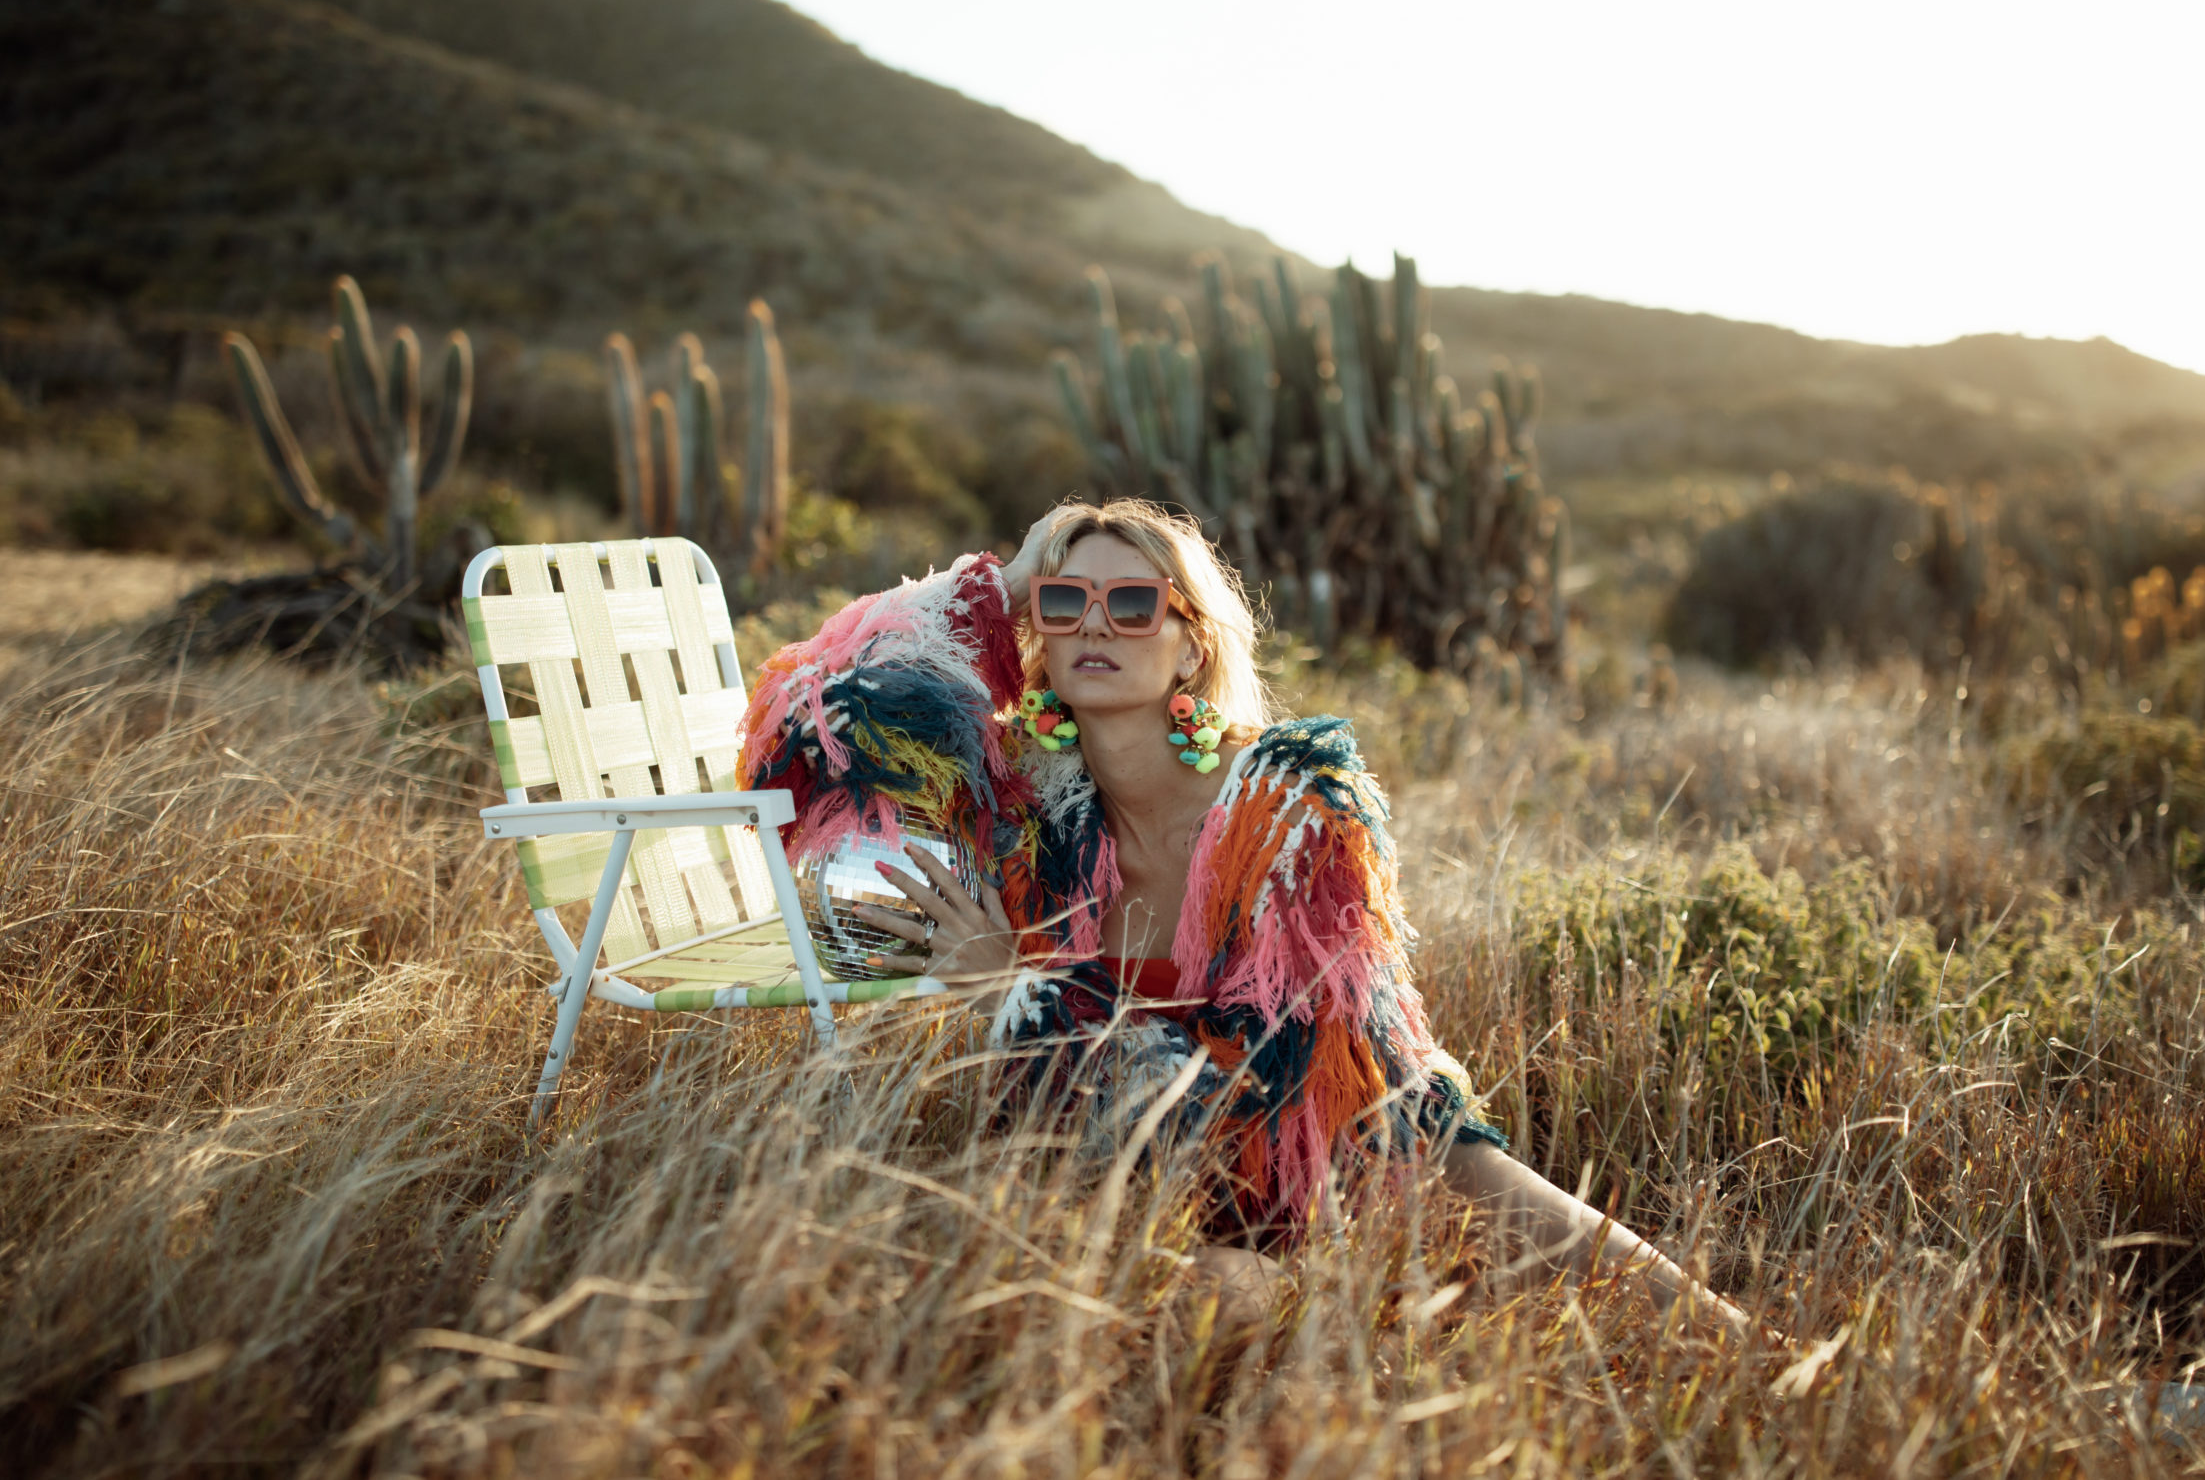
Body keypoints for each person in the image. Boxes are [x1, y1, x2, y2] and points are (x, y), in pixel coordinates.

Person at [738, 500, 1756, 1338]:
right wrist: (988, 591)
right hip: (1145, 1178)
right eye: (1065, 602)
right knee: (1144, 1308)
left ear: (1188, 647)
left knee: (1455, 1173)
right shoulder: (1027, 809)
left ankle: (1746, 1346)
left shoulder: (1290, 808)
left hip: (1346, 1149)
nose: (1095, 624)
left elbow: (1284, 1103)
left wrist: (1023, 990)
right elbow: (812, 713)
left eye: (1132, 603)